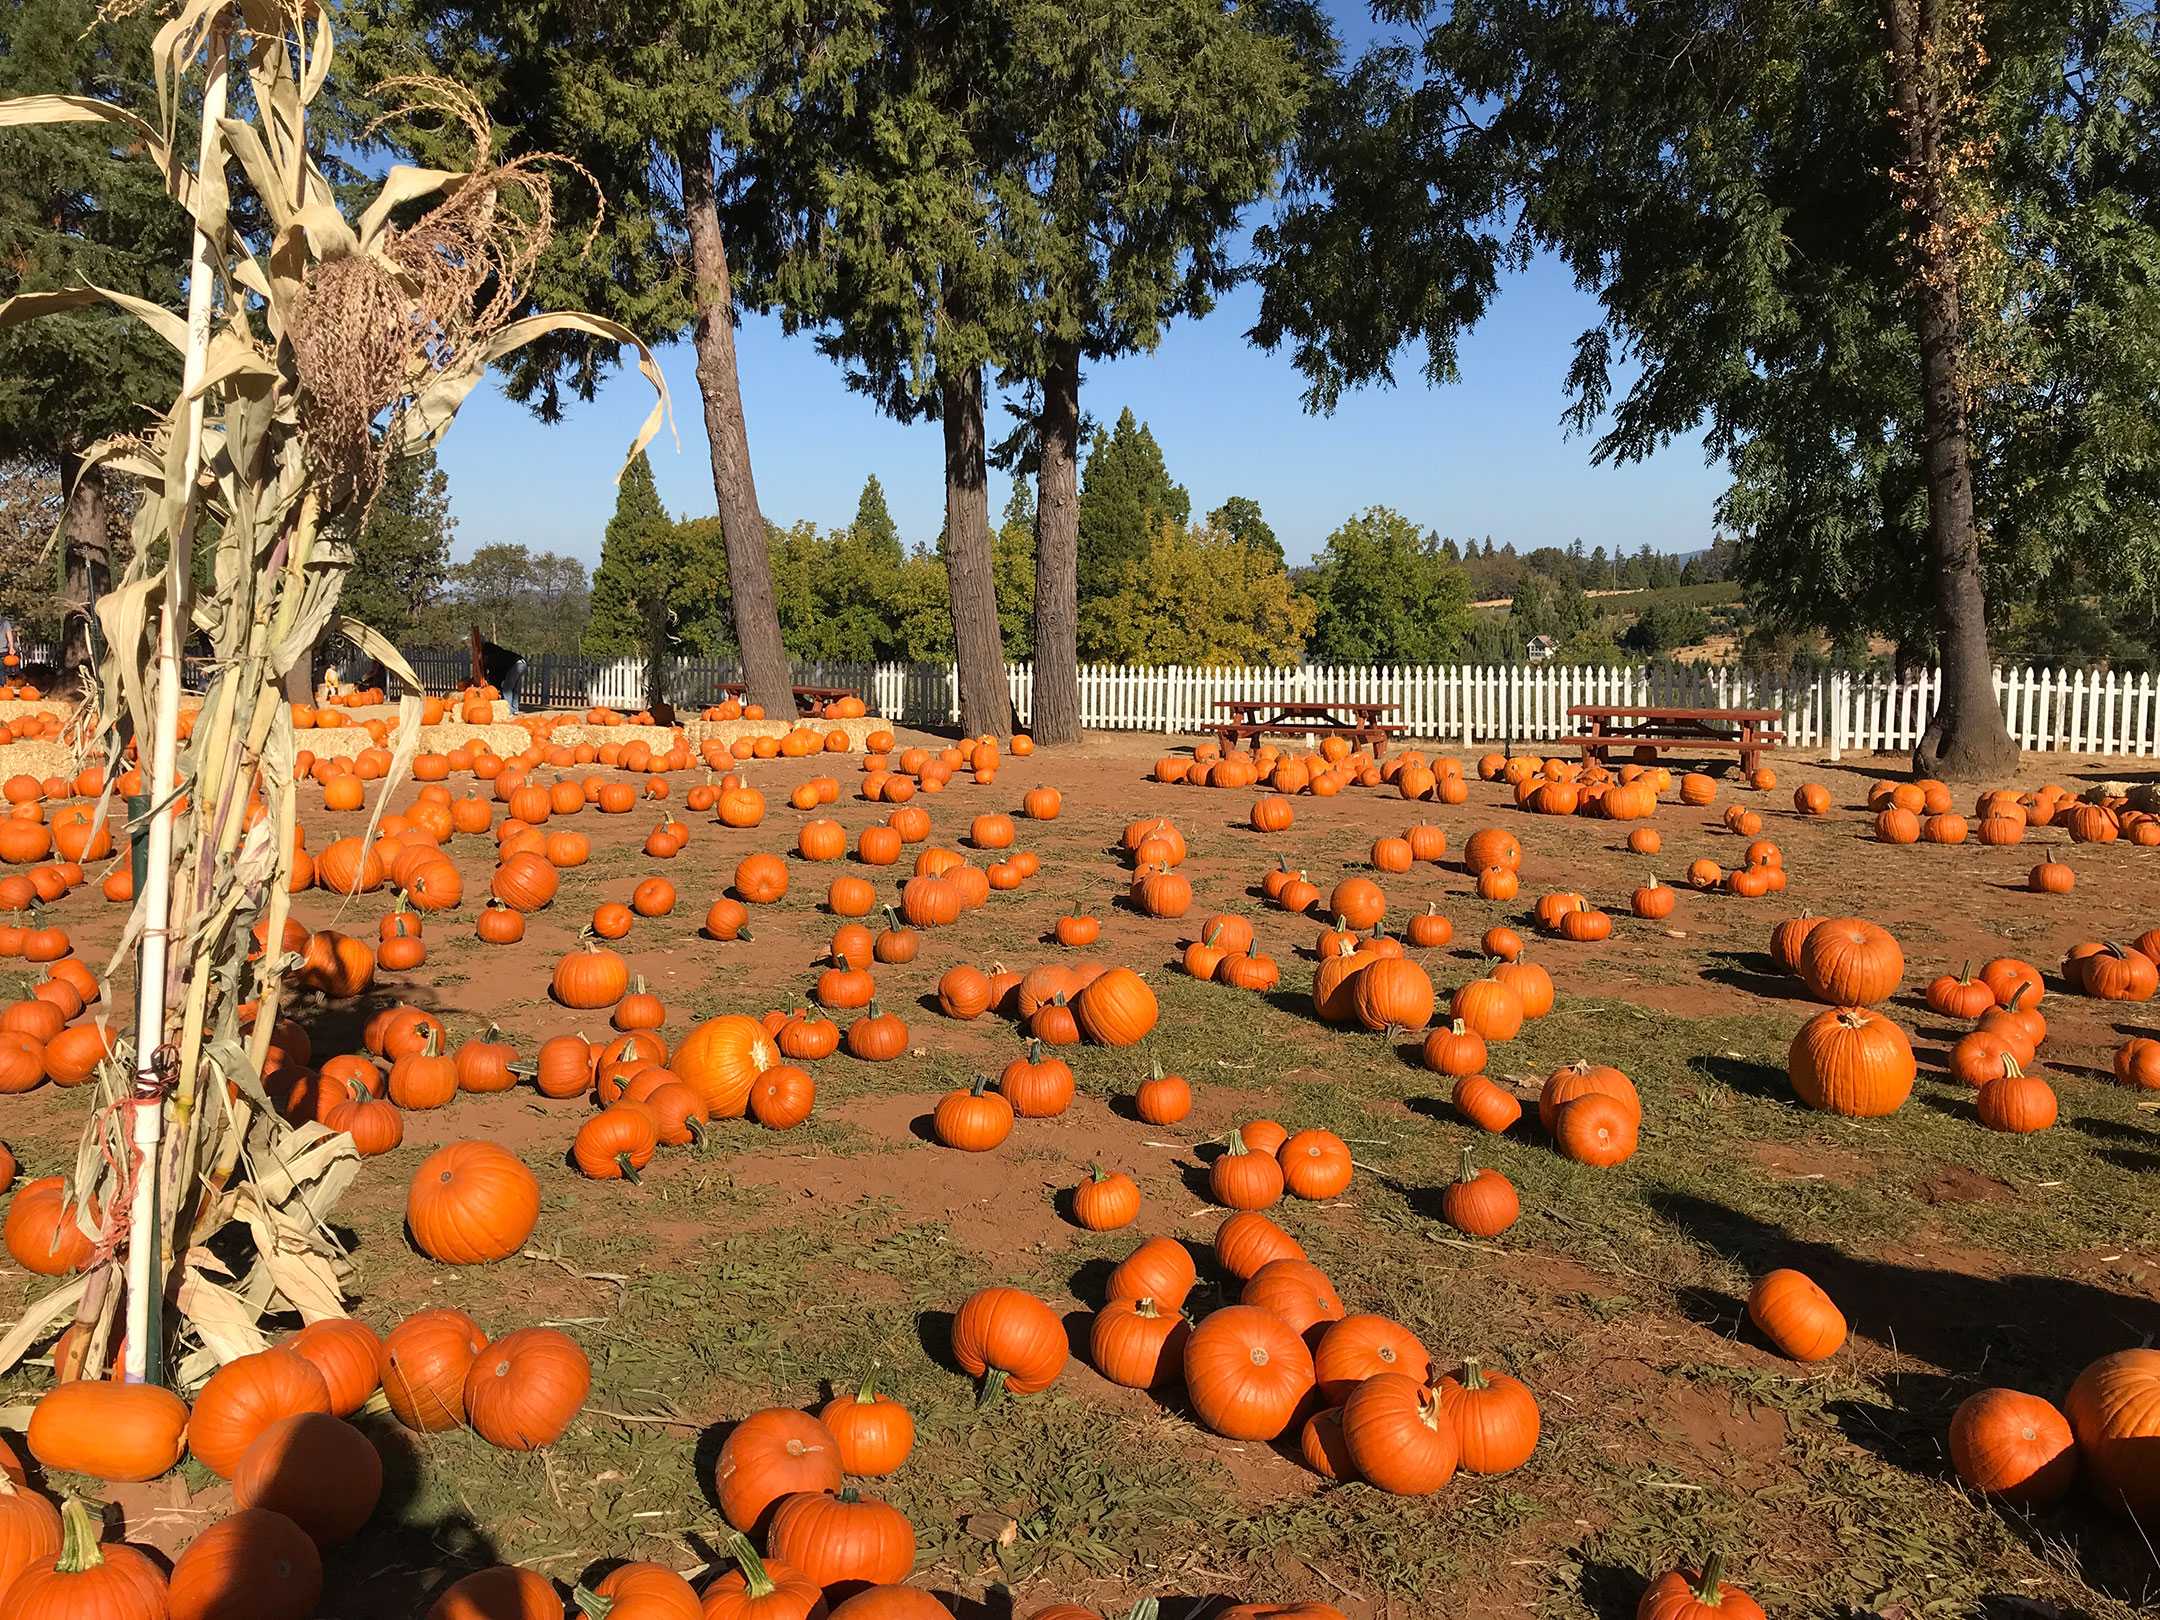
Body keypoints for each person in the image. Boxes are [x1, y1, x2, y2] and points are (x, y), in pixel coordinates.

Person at [468, 626, 527, 715]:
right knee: (514, 688)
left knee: (507, 688)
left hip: (515, 665)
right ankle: (515, 709)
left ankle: (509, 711)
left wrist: (492, 685)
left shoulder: (490, 657)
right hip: (522, 663)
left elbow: (495, 672)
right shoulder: (495, 652)